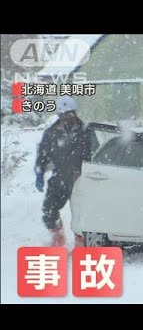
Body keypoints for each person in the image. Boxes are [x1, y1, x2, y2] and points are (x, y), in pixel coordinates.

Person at [35, 96, 90, 247]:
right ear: (59, 115)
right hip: (59, 177)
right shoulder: (51, 133)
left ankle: (81, 242)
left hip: (81, 178)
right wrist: (39, 173)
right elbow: (43, 154)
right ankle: (58, 236)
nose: (68, 117)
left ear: (75, 112)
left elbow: (94, 153)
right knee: (48, 210)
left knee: (82, 213)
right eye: (64, 114)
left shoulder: (85, 131)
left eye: (70, 113)